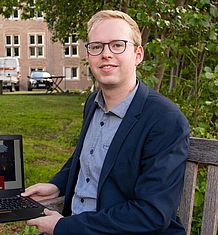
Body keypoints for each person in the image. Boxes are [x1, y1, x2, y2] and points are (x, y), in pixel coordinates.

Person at [22, 10, 189, 235]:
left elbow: (152, 213)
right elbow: (84, 158)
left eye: (117, 45)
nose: (106, 54)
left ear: (138, 55)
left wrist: (64, 227)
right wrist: (57, 185)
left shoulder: (165, 119)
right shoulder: (94, 103)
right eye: (97, 46)